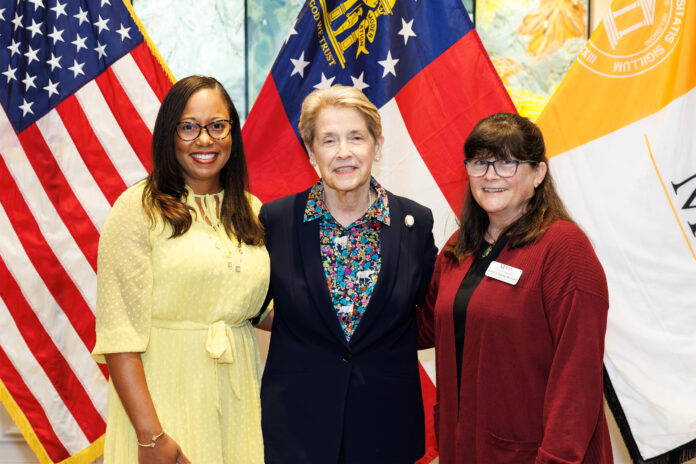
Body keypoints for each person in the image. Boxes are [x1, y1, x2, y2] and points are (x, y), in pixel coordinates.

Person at [92, 76, 269, 464]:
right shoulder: (138, 208)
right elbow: (119, 333)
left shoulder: (253, 211)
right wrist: (150, 435)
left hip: (238, 403)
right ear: (168, 135)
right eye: (188, 127)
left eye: (217, 126)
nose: (204, 140)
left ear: (232, 134)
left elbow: (261, 309)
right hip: (163, 406)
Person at [419, 112, 613, 463]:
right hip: (464, 451)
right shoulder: (456, 249)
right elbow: (420, 330)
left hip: (537, 455)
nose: (491, 175)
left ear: (538, 173)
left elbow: (578, 376)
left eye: (507, 162)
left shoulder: (564, 249)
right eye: (480, 162)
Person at [258, 85, 437, 464]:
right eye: (328, 140)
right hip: (297, 428)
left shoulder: (414, 223)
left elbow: (432, 313)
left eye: (356, 137)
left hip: (386, 429)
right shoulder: (276, 221)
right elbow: (250, 303)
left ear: (377, 145)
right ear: (311, 152)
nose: (343, 152)